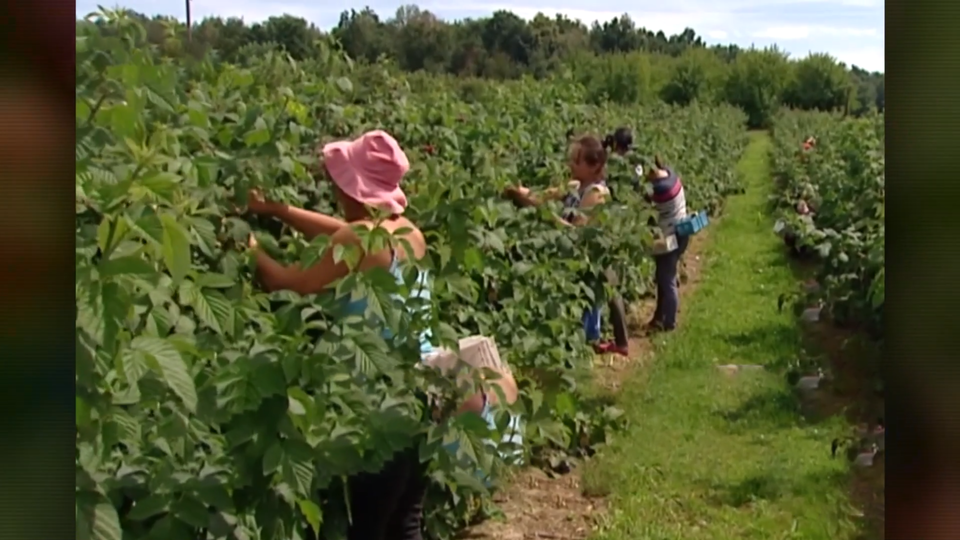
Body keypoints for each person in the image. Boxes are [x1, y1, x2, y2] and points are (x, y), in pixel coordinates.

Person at [246, 130, 521, 540]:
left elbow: (291, 285)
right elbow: (341, 231)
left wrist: (249, 247)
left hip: (379, 402)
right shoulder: (407, 233)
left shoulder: (357, 240)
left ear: (353, 186)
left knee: (370, 528)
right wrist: (280, 210)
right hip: (426, 391)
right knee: (403, 519)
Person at [503, 135, 630, 357]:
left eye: (577, 160)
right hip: (573, 257)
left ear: (594, 167)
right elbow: (541, 196)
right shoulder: (575, 185)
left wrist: (548, 217)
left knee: (599, 298)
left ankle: (589, 348)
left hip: (591, 259)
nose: (571, 164)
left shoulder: (596, 194)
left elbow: (578, 233)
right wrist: (518, 191)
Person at [642, 155, 688, 332]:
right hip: (681, 232)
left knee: (667, 281)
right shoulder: (671, 175)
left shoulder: (660, 190)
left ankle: (670, 323)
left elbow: (645, 207)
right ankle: (660, 318)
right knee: (664, 278)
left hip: (669, 239)